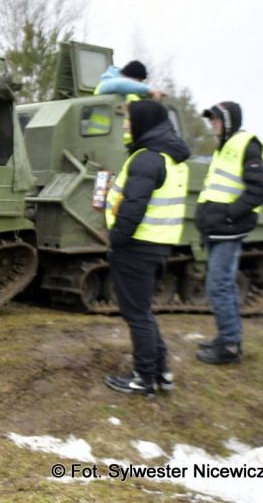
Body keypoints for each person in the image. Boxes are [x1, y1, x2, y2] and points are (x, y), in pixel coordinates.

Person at [103, 99, 190, 397]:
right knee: (144, 312)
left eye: (130, 120)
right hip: (157, 246)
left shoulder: (146, 158)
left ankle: (143, 379)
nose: (126, 125)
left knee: (137, 315)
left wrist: (116, 238)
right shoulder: (170, 159)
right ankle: (161, 372)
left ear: (145, 123)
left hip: (136, 249)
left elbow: (134, 207)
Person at [194, 102, 263, 365]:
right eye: (211, 119)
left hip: (229, 229)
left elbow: (258, 190)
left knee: (220, 285)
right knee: (221, 285)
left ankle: (229, 347)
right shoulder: (223, 147)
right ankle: (228, 337)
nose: (212, 123)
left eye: (216, 119)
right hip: (217, 228)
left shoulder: (247, 144)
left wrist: (228, 214)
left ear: (229, 120)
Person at [94, 60, 165, 101]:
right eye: (137, 81)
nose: (138, 84)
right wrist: (150, 91)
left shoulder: (129, 94)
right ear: (128, 76)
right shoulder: (106, 84)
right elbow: (119, 84)